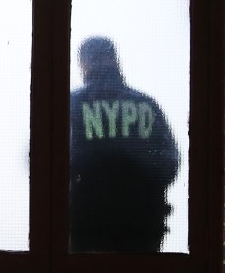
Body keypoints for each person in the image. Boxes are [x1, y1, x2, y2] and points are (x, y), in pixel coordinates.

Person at [68, 36, 180, 253]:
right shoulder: (146, 104)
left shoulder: (72, 104)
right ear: (114, 60)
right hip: (142, 225)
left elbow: (46, 160)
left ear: (84, 63)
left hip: (86, 224)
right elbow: (170, 160)